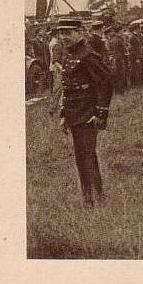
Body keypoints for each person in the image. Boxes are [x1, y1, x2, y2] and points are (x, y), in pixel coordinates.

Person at [56, 19, 113, 207]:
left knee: (86, 155)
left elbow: (105, 83)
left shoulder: (88, 55)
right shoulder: (70, 54)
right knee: (83, 156)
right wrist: (64, 113)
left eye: (68, 32)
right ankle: (93, 197)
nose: (64, 37)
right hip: (74, 113)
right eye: (61, 33)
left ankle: (94, 199)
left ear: (80, 32)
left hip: (87, 113)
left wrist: (99, 113)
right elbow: (68, 87)